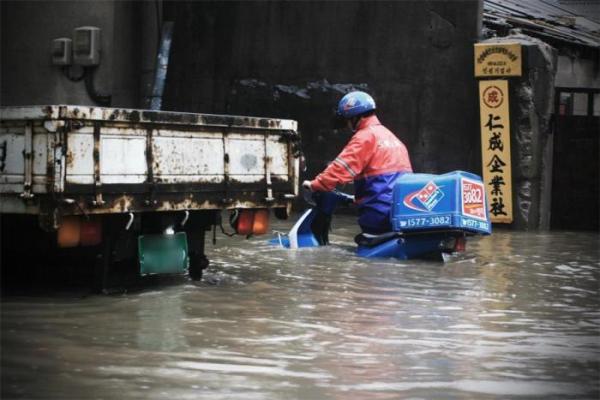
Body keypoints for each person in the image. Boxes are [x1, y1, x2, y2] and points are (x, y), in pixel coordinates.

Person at [302, 91, 413, 234]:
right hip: (399, 211)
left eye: (347, 120)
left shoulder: (365, 137)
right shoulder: (392, 138)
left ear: (354, 117)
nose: (348, 125)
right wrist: (356, 199)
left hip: (379, 213)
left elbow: (341, 168)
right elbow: (389, 181)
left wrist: (315, 185)